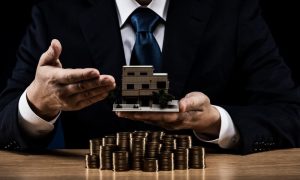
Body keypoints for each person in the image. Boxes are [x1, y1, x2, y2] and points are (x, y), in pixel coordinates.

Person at [0, 0, 299, 154]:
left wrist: (216, 122)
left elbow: (290, 114)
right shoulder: (55, 12)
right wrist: (37, 104)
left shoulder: (231, 9)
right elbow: (5, 125)